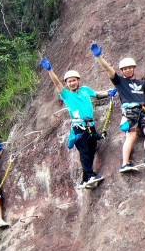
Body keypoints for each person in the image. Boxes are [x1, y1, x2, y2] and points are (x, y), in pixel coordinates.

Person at [90, 43, 145, 172]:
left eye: (129, 68)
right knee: (131, 136)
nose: (127, 70)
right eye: (124, 69)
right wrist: (99, 57)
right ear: (122, 71)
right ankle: (125, 164)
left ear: (134, 68)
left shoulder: (141, 83)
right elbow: (109, 70)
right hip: (130, 112)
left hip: (143, 111)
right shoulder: (119, 82)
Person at [41, 58, 109, 188]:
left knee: (91, 150)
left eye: (74, 80)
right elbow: (57, 84)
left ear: (78, 80)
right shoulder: (66, 94)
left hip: (90, 125)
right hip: (78, 127)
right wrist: (50, 71)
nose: (72, 83)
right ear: (67, 84)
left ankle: (85, 179)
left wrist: (109, 93)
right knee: (84, 151)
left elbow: (97, 94)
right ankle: (90, 175)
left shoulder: (85, 90)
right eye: (69, 81)